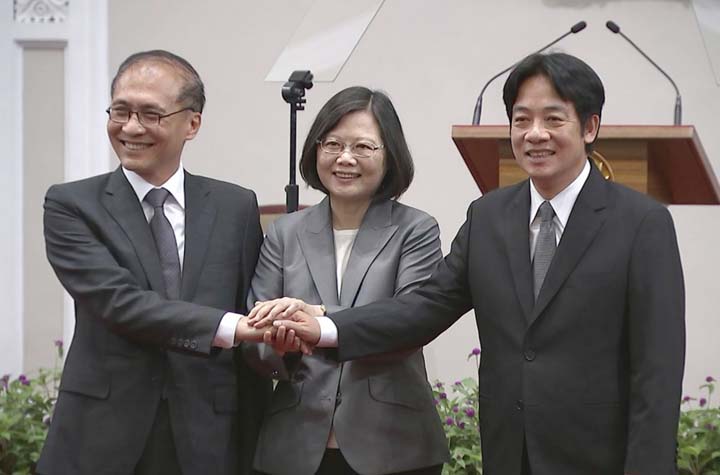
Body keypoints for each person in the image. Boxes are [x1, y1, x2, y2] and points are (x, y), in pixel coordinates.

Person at [268, 53, 686, 475]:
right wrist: (323, 324)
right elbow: (424, 307)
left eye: (553, 119)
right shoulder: (489, 216)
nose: (535, 134)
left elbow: (657, 371)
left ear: (590, 127)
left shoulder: (640, 223)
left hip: (600, 457)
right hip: (510, 452)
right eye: (521, 120)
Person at [37, 50, 281, 475]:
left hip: (208, 434)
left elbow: (253, 306)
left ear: (192, 123)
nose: (131, 127)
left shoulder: (235, 206)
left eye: (151, 114)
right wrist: (231, 327)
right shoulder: (71, 204)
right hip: (102, 435)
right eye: (121, 111)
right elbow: (120, 302)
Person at [244, 86, 449, 475]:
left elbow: (410, 321)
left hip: (394, 446)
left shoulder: (416, 229)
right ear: (315, 150)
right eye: (333, 144)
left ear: (390, 156)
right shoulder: (284, 233)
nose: (345, 158)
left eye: (364, 147)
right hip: (295, 445)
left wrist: (317, 321)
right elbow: (255, 331)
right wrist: (281, 344)